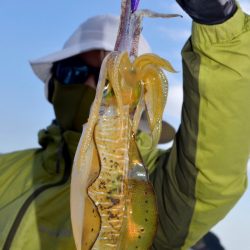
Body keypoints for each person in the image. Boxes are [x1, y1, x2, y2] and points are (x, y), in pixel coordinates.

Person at [0, 0, 249, 249]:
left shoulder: (157, 186)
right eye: (73, 71)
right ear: (53, 85)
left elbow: (210, 174)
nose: (91, 85)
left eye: (106, 79)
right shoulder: (5, 173)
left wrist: (219, 24)